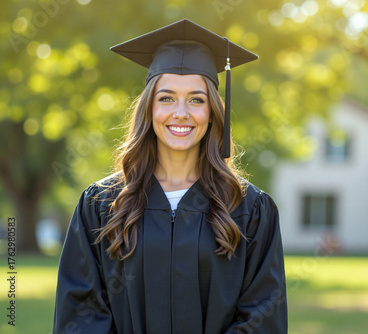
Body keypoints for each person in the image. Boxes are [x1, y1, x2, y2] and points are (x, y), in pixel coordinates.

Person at [53, 19, 287, 333]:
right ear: (149, 109)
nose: (181, 112)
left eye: (196, 99)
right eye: (166, 98)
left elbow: (262, 317)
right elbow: (80, 314)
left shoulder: (249, 209)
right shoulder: (102, 204)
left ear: (213, 112)